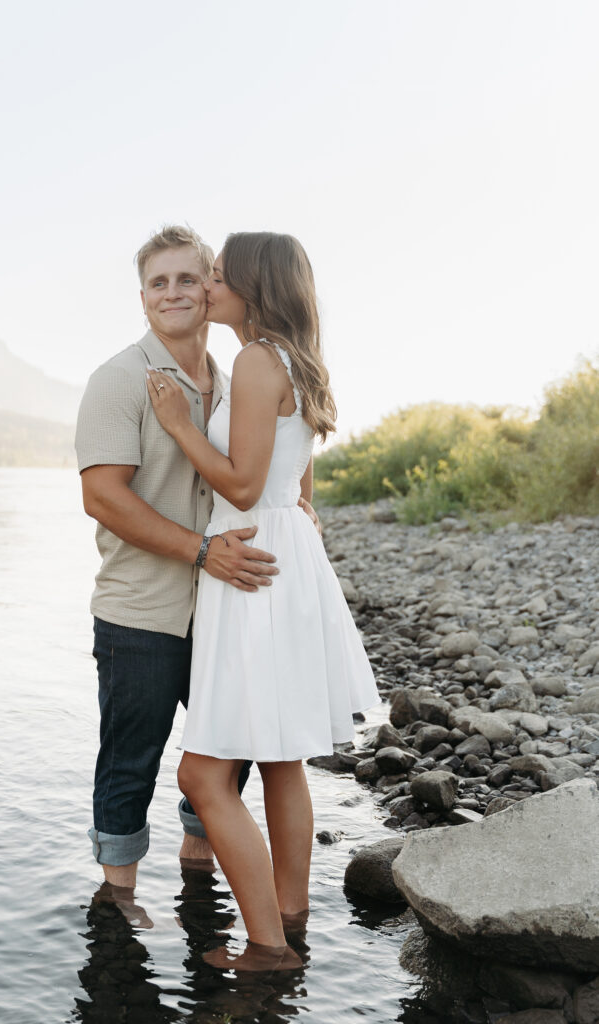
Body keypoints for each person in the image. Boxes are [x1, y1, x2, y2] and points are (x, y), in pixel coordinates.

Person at [146, 231, 380, 971]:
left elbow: (242, 486)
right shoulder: (293, 360)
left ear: (251, 284)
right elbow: (290, 477)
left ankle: (268, 949)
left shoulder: (252, 360)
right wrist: (296, 506)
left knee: (199, 775)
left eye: (216, 275)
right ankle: (290, 911)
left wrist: (181, 427)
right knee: (281, 760)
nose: (207, 286)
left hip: (250, 565)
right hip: (284, 554)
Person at [75, 226, 282, 900]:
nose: (173, 293)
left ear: (211, 288)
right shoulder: (118, 380)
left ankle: (198, 872)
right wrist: (198, 551)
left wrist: (300, 506)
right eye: (158, 283)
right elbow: (101, 497)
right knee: (130, 761)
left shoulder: (234, 383)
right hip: (142, 609)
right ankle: (119, 903)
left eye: (187, 279)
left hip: (224, 607)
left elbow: (265, 467)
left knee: (232, 748)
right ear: (142, 299)